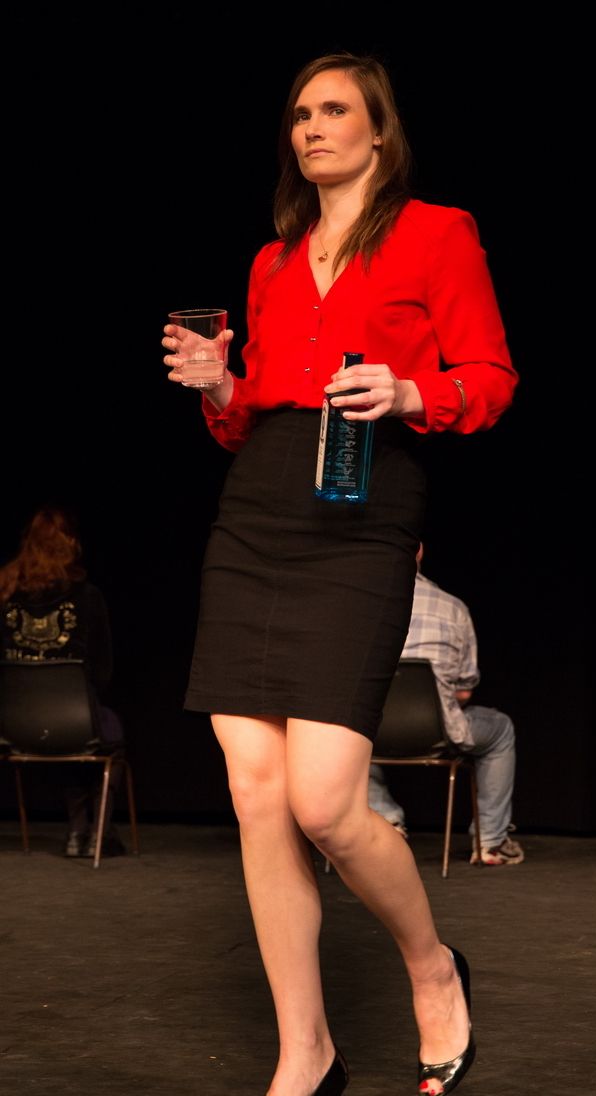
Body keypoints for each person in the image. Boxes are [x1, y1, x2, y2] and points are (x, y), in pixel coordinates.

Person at [161, 51, 517, 1096]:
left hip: (360, 521)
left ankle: (430, 965)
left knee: (325, 799)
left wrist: (412, 390)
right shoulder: (272, 262)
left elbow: (489, 376)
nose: (311, 128)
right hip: (259, 513)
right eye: (300, 114)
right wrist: (219, 381)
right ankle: (304, 1051)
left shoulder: (435, 232)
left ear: (377, 132)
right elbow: (244, 419)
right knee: (255, 790)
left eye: (333, 111)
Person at [368, 544, 524, 866]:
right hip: (438, 730)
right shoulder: (453, 608)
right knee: (501, 729)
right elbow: (465, 692)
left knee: (343, 733)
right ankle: (491, 843)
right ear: (420, 552)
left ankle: (385, 822)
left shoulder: (357, 607)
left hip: (372, 731)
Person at [0, 506, 126, 859]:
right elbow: (104, 671)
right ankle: (99, 834)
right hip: (77, 718)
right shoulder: (88, 596)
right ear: (71, 543)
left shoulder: (3, 591)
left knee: (72, 731)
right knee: (103, 736)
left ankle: (76, 832)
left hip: (13, 725)